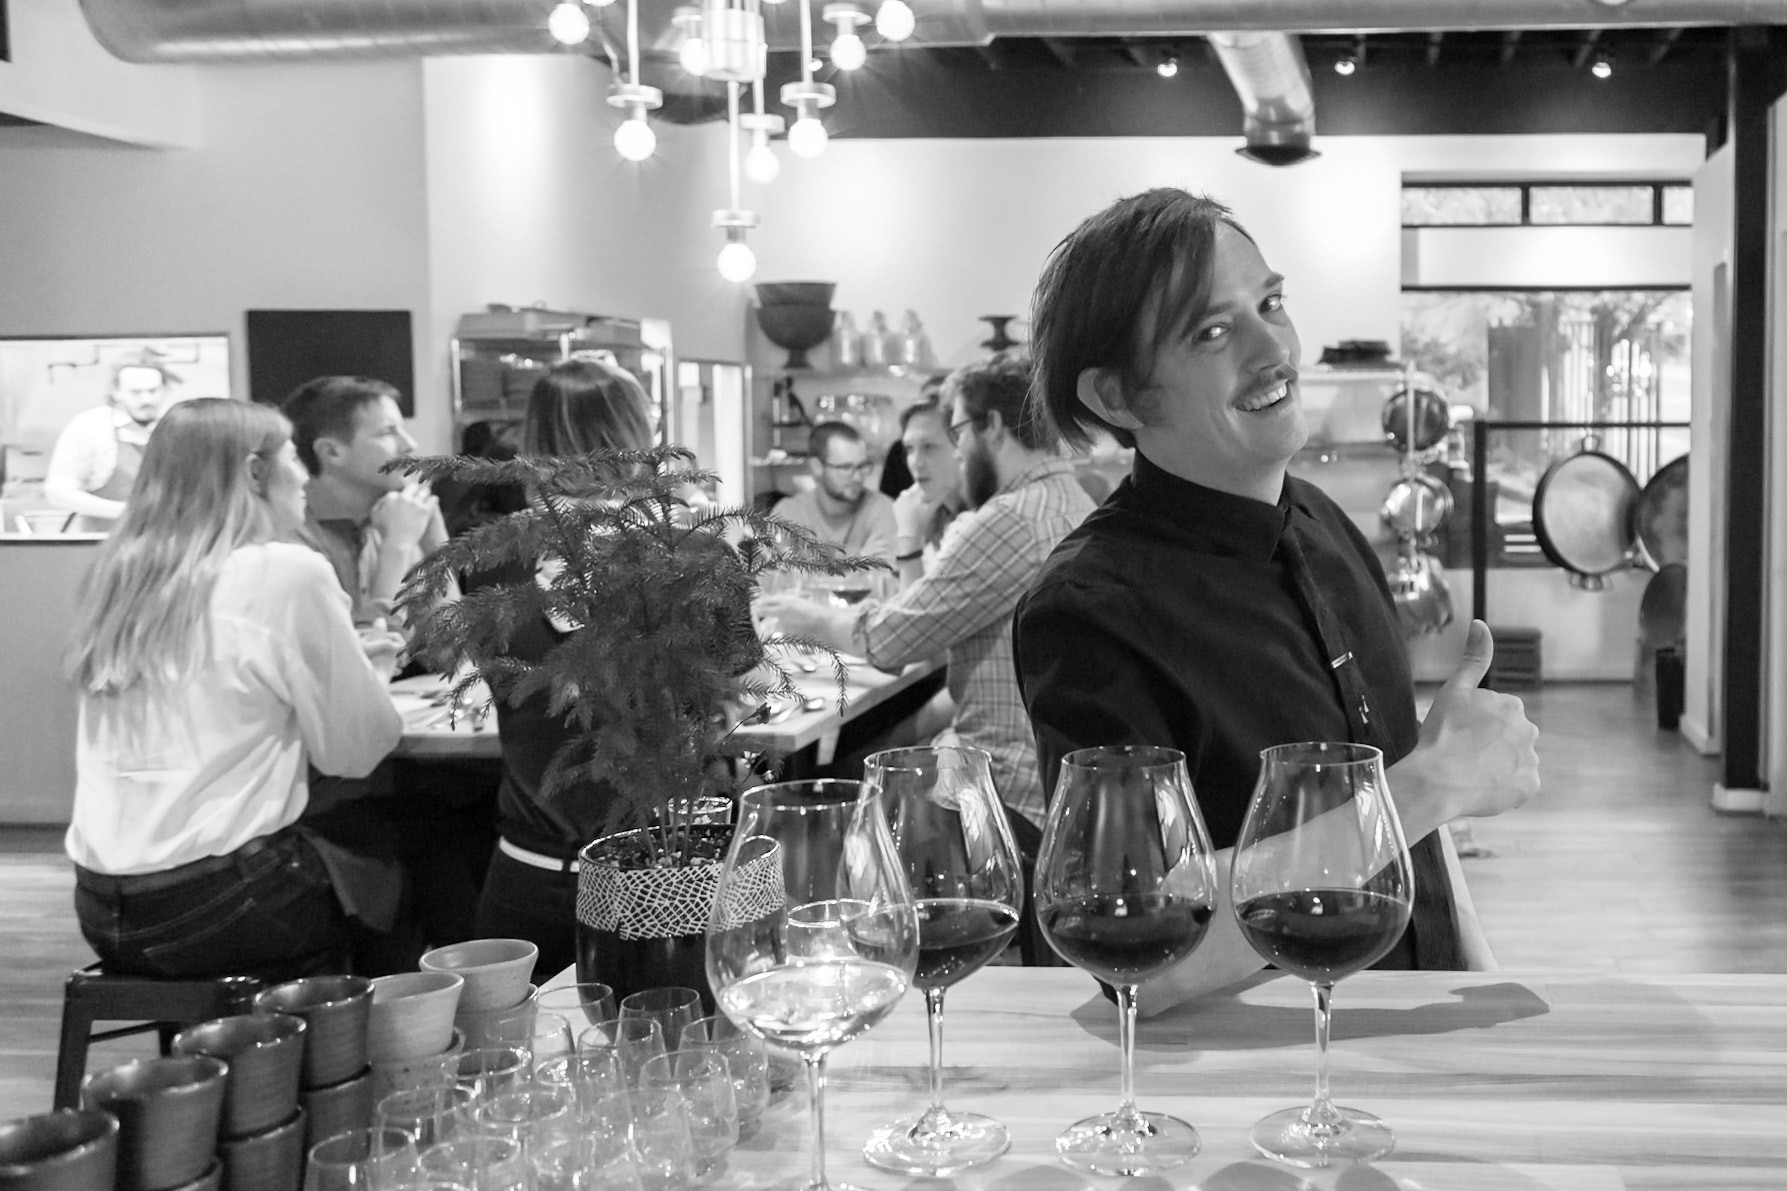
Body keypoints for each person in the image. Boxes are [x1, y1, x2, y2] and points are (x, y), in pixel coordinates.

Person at [1015, 189, 1541, 1011]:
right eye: (1210, 331)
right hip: (1257, 1067)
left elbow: (1413, 837)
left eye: (1269, 304)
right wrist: (1428, 785)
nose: (1274, 349)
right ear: (1116, 397)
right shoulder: (1088, 607)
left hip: (1405, 1032)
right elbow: (1139, 949)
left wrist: (1477, 971)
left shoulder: (1323, 522)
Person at [755, 353, 1095, 961]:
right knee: (864, 760)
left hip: (1002, 792)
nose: (958, 454)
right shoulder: (1073, 498)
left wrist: (812, 619)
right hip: (1052, 779)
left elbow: (893, 644)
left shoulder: (1007, 520)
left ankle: (826, 954)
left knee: (836, 799)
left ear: (992, 426)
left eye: (957, 433)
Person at [64, 398, 402, 980]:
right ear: (254, 473)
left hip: (103, 908)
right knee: (421, 851)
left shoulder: (121, 574)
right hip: (224, 903)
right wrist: (379, 670)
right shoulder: (284, 571)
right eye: (292, 458)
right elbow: (356, 751)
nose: (303, 477)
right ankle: (339, 1035)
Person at [469, 356, 660, 980]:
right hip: (659, 870)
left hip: (525, 869)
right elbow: (742, 684)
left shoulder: (488, 558)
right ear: (636, 436)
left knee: (514, 1039)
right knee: (667, 1035)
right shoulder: (686, 556)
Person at [280, 375, 447, 631]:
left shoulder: (397, 516)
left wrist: (434, 539)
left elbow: (453, 647)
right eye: (388, 432)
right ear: (331, 452)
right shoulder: (286, 542)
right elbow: (364, 654)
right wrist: (396, 548)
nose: (409, 445)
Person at [44, 352, 180, 532]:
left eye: (153, 391)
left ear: (164, 389)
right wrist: (126, 512)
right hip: (106, 542)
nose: (147, 400)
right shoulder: (91, 426)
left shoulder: (177, 425)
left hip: (167, 540)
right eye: (136, 392)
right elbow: (58, 493)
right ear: (116, 392)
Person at [774, 421, 899, 564]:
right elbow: (780, 575)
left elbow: (881, 574)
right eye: (846, 468)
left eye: (862, 466)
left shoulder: (883, 509)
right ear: (817, 467)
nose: (858, 477)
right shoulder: (789, 513)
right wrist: (860, 564)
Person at [888, 397, 967, 586]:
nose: (915, 462)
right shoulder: (928, 515)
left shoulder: (978, 521)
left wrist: (909, 538)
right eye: (909, 449)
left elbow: (912, 606)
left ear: (963, 446)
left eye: (929, 447)